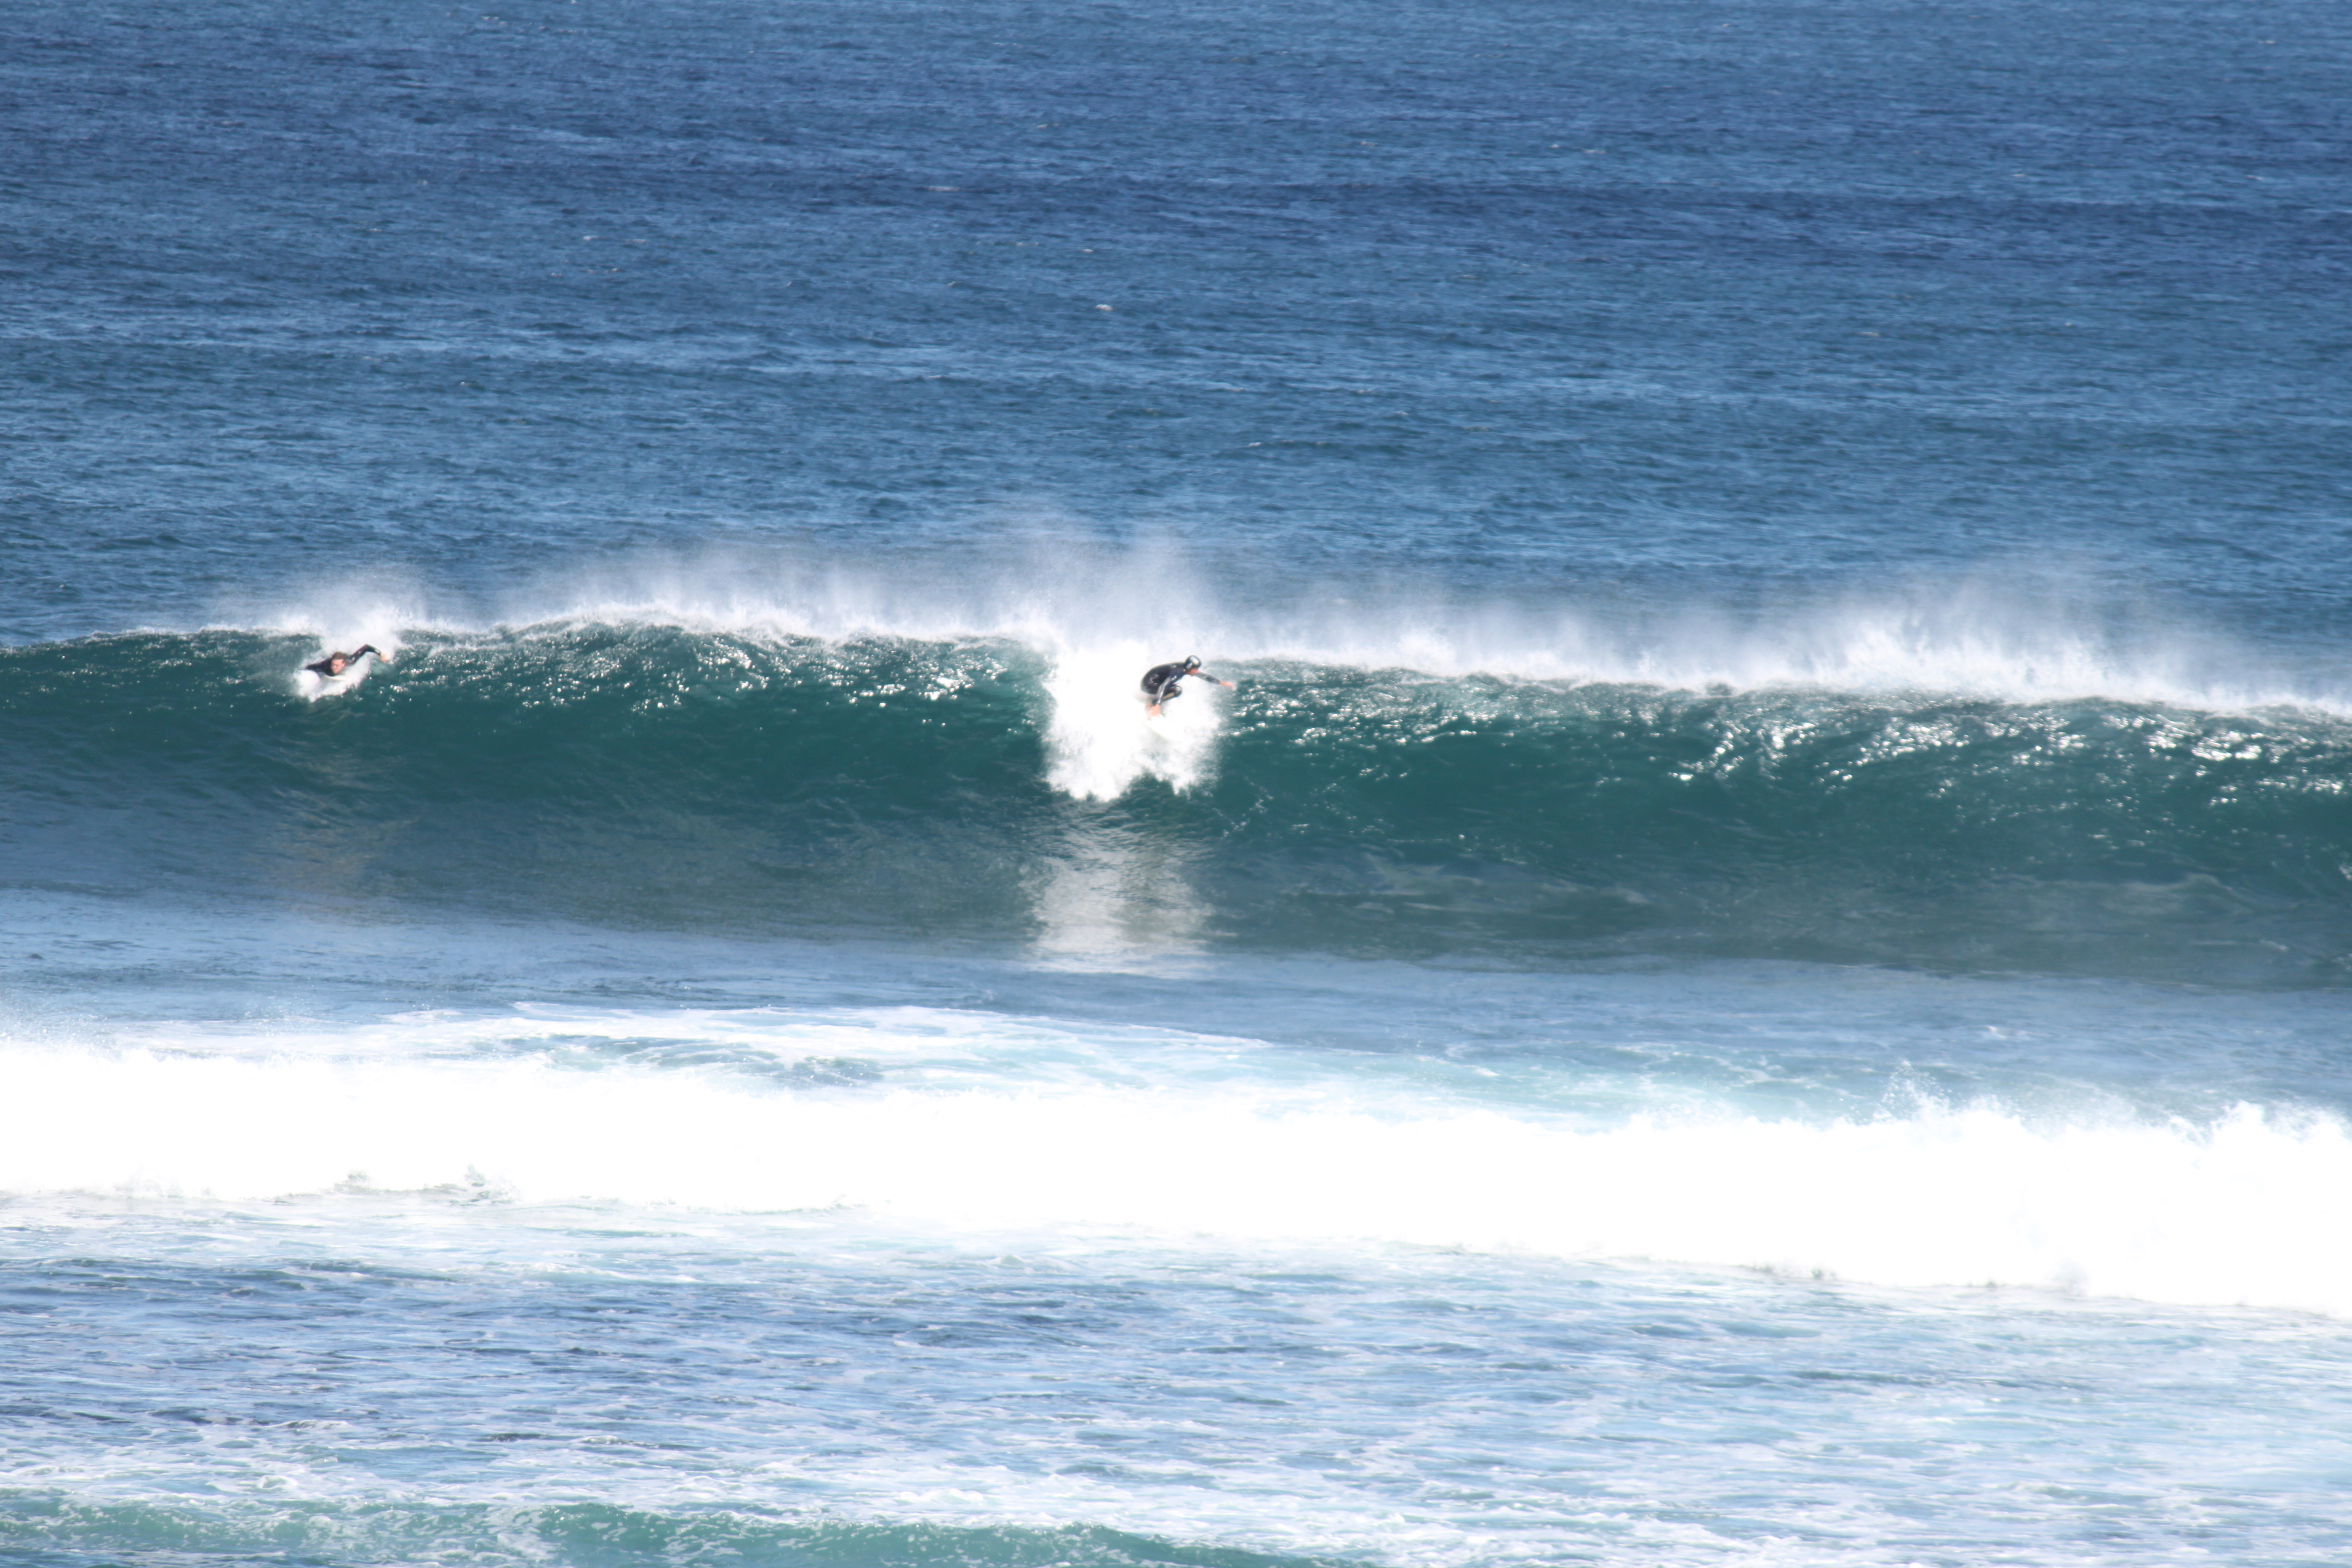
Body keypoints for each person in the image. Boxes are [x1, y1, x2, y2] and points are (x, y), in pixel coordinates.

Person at [1139, 654, 1234, 718]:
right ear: (1189, 667)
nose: (1197, 671)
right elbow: (1163, 686)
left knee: (1173, 687)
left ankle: (1152, 700)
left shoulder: (1184, 668)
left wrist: (1221, 683)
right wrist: (1157, 704)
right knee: (1177, 690)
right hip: (1148, 684)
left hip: (1150, 682)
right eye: (1195, 669)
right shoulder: (1178, 672)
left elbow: (1203, 676)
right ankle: (1152, 705)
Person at [304, 645, 384, 679]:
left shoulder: (350, 661)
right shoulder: (325, 665)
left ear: (343, 664)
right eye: (333, 665)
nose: (333, 667)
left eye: (336, 665)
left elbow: (366, 647)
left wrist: (380, 654)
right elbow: (310, 667)